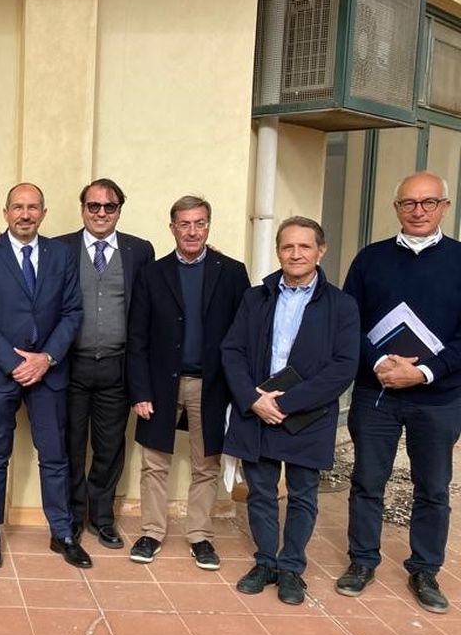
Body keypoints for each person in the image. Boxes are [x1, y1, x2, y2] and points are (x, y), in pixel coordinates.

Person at [337, 172, 461, 613]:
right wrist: (378, 365)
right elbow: (347, 322)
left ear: (445, 206)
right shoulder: (370, 260)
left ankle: (425, 569)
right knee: (367, 481)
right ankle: (362, 560)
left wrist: (423, 372)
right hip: (377, 393)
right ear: (396, 208)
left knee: (433, 488)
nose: (418, 211)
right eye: (409, 203)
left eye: (429, 203)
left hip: (439, 398)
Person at [221, 217, 359, 604]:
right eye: (288, 247)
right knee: (261, 492)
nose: (296, 254)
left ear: (321, 251)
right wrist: (253, 399)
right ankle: (266, 561)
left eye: (305, 246)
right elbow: (232, 350)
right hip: (257, 411)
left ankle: (292, 568)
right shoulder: (256, 298)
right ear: (278, 251)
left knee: (302, 495)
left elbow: (344, 366)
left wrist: (284, 403)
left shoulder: (342, 305)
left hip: (308, 416)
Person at [0, 182, 86, 570]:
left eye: (33, 207)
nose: (25, 214)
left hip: (48, 372)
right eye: (18, 207)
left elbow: (72, 312)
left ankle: (62, 532)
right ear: (6, 213)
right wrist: (14, 362)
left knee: (55, 454)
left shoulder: (61, 255)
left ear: (43, 214)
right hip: (0, 372)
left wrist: (46, 358)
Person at [126, 195, 249, 570]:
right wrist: (140, 391)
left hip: (211, 385)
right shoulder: (152, 274)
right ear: (172, 228)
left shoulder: (232, 272)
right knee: (154, 463)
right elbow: (137, 337)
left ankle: (200, 536)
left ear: (208, 226)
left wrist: (238, 390)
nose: (192, 231)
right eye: (185, 224)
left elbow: (243, 334)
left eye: (199, 223)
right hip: (161, 383)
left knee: (206, 464)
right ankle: (151, 532)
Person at [57, 178, 154, 550]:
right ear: (83, 209)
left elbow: (155, 295)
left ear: (119, 210)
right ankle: (72, 515)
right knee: (70, 444)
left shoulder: (139, 251)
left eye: (109, 206)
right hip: (70, 366)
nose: (100, 213)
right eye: (93, 206)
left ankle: (102, 518)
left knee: (110, 447)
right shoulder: (60, 248)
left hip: (116, 366)